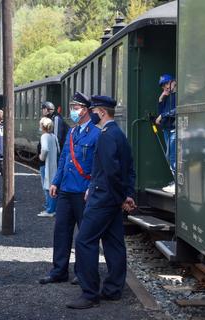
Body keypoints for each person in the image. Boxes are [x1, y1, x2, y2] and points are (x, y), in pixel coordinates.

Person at [66, 95, 136, 309]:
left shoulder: (105, 136)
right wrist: (127, 194)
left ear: (102, 112)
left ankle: (89, 294)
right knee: (114, 243)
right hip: (112, 198)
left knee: (84, 241)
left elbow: (111, 171)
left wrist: (121, 197)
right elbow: (129, 168)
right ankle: (113, 289)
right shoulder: (119, 134)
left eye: (93, 110)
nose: (91, 113)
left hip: (103, 197)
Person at [39, 92, 101, 286]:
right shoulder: (73, 132)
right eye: (72, 107)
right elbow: (64, 158)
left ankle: (83, 272)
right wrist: (55, 182)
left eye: (76, 108)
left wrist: (91, 187)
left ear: (86, 110)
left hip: (83, 191)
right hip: (66, 189)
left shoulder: (97, 134)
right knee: (61, 232)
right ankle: (59, 271)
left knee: (84, 235)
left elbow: (98, 165)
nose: (73, 111)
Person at [155, 74, 177, 194]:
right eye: (163, 86)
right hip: (167, 129)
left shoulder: (177, 95)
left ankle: (177, 182)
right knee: (169, 155)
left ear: (173, 82)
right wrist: (161, 99)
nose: (165, 87)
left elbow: (176, 110)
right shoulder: (167, 96)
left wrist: (162, 116)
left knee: (173, 156)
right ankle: (175, 180)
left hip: (174, 128)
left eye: (166, 84)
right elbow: (161, 112)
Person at [37, 117, 60, 217]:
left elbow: (45, 149)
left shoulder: (44, 136)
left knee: (47, 187)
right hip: (54, 163)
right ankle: (53, 208)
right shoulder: (53, 136)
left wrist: (41, 157)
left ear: (43, 126)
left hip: (45, 164)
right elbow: (58, 150)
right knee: (53, 186)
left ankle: (50, 210)